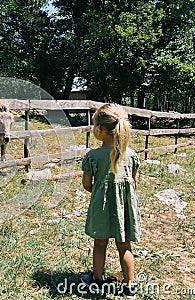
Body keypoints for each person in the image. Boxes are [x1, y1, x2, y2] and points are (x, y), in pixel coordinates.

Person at [80, 103, 140, 299]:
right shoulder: (131, 155)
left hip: (101, 207)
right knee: (124, 246)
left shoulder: (93, 156)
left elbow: (87, 185)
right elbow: (133, 184)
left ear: (99, 130)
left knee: (100, 244)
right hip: (125, 210)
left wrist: (100, 192)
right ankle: (129, 286)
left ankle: (96, 281)